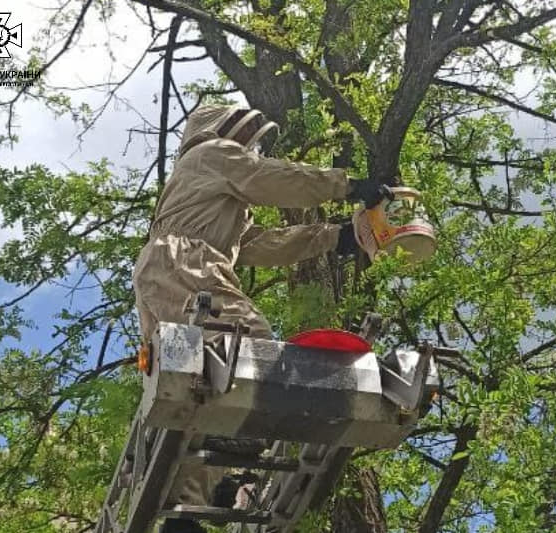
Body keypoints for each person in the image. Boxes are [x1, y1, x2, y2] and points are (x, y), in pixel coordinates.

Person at [132, 104, 389, 533]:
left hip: (171, 267)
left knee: (198, 388)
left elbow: (260, 244)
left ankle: (186, 512)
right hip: (184, 260)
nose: (251, 147)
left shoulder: (213, 198)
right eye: (247, 139)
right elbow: (267, 177)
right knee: (248, 344)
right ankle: (237, 441)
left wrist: (334, 237)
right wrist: (347, 185)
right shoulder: (210, 154)